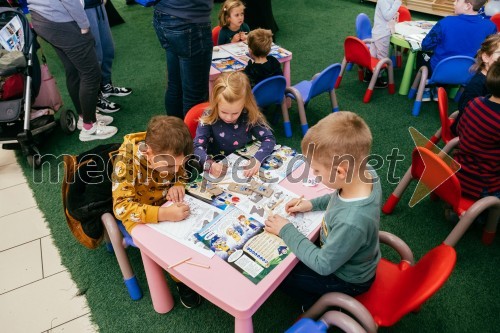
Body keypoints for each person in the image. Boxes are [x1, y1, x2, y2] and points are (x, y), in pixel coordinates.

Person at [264, 111, 381, 310]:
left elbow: (323, 264)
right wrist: (311, 204)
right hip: (349, 256)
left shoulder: (351, 221)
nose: (315, 175)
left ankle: (315, 305)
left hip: (347, 280)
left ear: (341, 171)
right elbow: (338, 195)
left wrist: (286, 229)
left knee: (279, 276)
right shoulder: (365, 171)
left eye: (317, 171)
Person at [111, 115, 202, 308]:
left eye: (177, 165)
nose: (173, 170)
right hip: (139, 214)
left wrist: (178, 182)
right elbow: (121, 209)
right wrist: (164, 215)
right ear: (149, 153)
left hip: (167, 203)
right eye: (169, 167)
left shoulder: (169, 152)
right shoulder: (126, 162)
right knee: (169, 247)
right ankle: (181, 282)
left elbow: (181, 171)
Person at [27, 0, 117, 142]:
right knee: (91, 73)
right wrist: (84, 24)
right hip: (60, 20)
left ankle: (85, 118)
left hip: (44, 18)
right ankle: (89, 127)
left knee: (73, 70)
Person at [193, 72, 276, 178]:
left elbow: (268, 138)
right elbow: (197, 146)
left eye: (235, 113)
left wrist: (258, 159)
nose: (229, 118)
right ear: (215, 104)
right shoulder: (209, 116)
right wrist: (209, 163)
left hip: (242, 164)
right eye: (224, 112)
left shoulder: (248, 113)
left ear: (245, 104)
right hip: (218, 166)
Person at [419, 0, 497, 101]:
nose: (454, 3)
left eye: (457, 0)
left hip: (439, 70)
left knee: (422, 55)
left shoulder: (446, 22)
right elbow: (489, 50)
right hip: (469, 72)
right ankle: (440, 89)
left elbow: (426, 45)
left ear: (468, 6)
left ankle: (426, 89)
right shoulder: (490, 26)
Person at [153, 0, 213, 118]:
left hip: (165, 15)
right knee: (195, 95)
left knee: (175, 85)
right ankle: (193, 135)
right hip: (188, 19)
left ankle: (176, 134)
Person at [454, 60, 500, 200]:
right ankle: (481, 218)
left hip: (458, 172)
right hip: (483, 186)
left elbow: (460, 129)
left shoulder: (476, 102)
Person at [84, 0, 132, 114]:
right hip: (83, 10)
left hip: (98, 5)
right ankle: (96, 97)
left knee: (107, 49)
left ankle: (106, 85)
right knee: (95, 55)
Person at [452, 34, 500, 135]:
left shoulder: (494, 79)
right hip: (471, 129)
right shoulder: (477, 83)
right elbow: (466, 111)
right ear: (486, 57)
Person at [366, 0, 401, 88]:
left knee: (373, 55)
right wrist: (397, 3)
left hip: (378, 32)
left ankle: (369, 75)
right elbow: (387, 16)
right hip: (382, 34)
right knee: (382, 58)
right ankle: (377, 79)